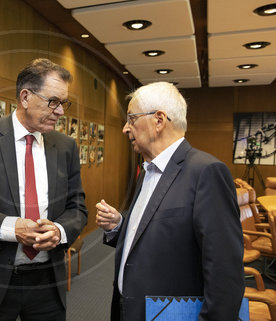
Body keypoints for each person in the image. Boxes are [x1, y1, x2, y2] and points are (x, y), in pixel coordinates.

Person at [0, 58, 88, 321]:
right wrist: (12, 229)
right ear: (25, 96)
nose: (60, 111)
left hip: (48, 284)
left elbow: (77, 207)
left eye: (63, 103)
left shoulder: (65, 146)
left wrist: (59, 230)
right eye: (53, 101)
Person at [95, 82, 244, 321]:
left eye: (131, 118)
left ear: (159, 121)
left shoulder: (207, 172)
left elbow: (224, 273)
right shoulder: (147, 170)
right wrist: (119, 226)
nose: (125, 128)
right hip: (130, 308)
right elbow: (159, 236)